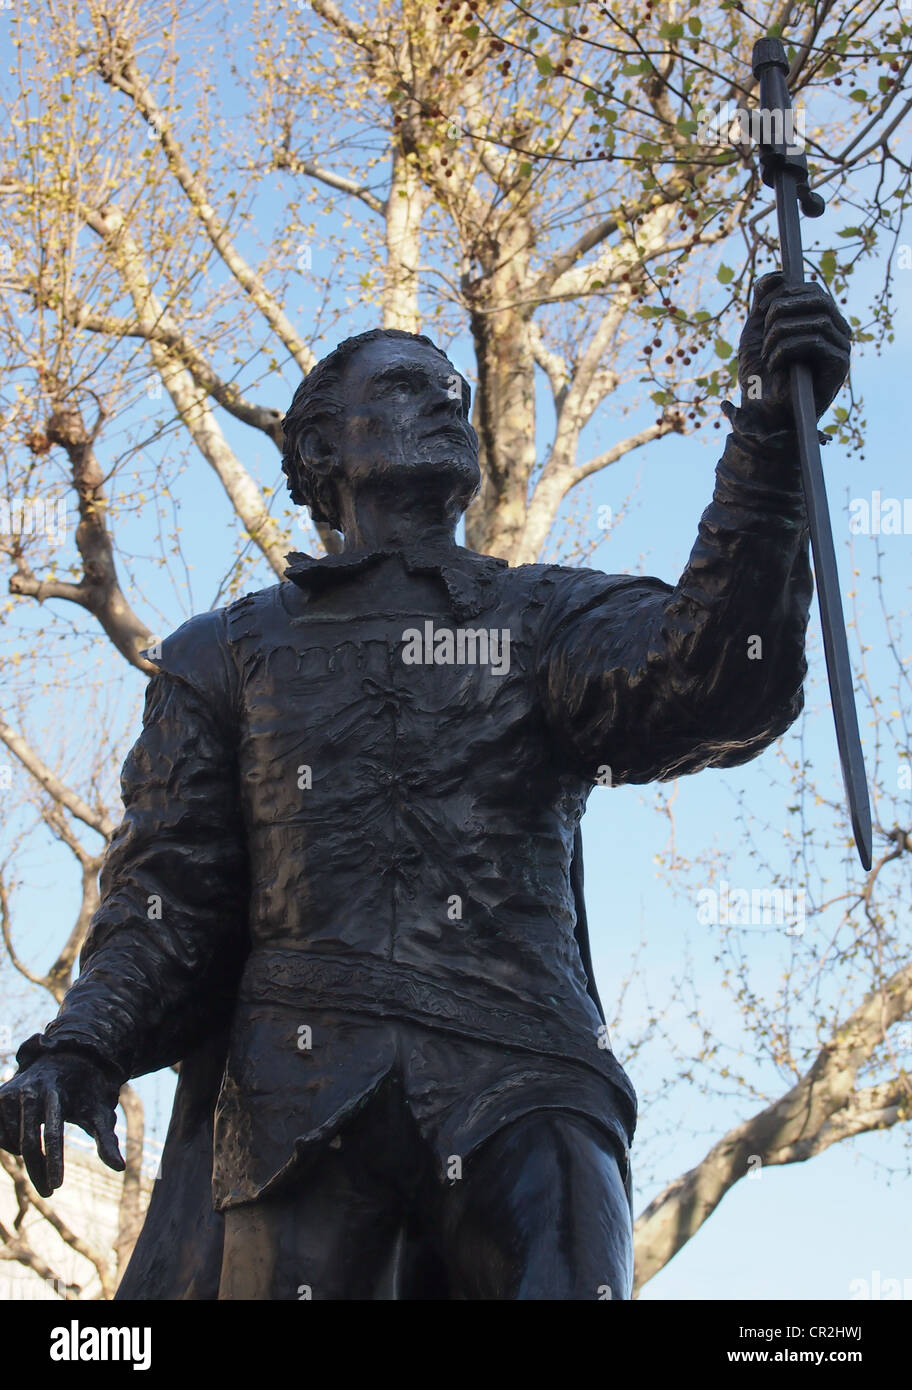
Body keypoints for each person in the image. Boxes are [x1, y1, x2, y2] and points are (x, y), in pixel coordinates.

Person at [0, 273, 851, 1299]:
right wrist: (82, 1045)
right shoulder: (221, 653)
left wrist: (767, 437)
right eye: (410, 386)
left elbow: (716, 676)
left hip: (525, 1066)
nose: (447, 399)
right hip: (302, 1078)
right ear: (322, 453)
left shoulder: (544, 616)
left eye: (452, 388)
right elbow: (168, 897)